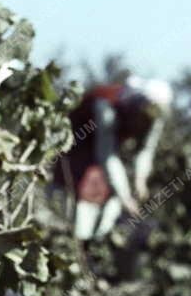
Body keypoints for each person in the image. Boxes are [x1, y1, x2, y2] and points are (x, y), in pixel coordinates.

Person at [54, 75, 173, 241]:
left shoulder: (155, 117)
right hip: (79, 143)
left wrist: (140, 179)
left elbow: (146, 149)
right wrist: (125, 197)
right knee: (83, 189)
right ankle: (74, 238)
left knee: (108, 191)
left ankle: (97, 239)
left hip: (104, 148)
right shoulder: (105, 107)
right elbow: (106, 155)